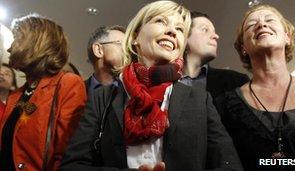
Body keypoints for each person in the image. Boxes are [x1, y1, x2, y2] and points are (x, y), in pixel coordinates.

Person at [60, 1, 242, 171]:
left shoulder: (200, 100)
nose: (172, 31)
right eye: (161, 21)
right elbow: (72, 165)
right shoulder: (103, 98)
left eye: (179, 29)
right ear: (134, 37)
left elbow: (230, 165)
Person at [215, 4, 295, 171]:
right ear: (243, 48)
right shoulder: (223, 105)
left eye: (269, 20)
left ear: (287, 37)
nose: (261, 25)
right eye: (251, 25)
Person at [0, 14, 87, 171]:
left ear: (36, 43)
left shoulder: (68, 83)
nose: (9, 47)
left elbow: (65, 153)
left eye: (17, 39)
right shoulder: (16, 95)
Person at [182, 11, 249, 99]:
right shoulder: (162, 82)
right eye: (205, 30)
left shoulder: (236, 81)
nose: (216, 36)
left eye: (214, 31)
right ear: (184, 36)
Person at [85, 25, 125, 95]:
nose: (128, 51)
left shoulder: (133, 91)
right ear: (98, 50)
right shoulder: (79, 91)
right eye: (122, 44)